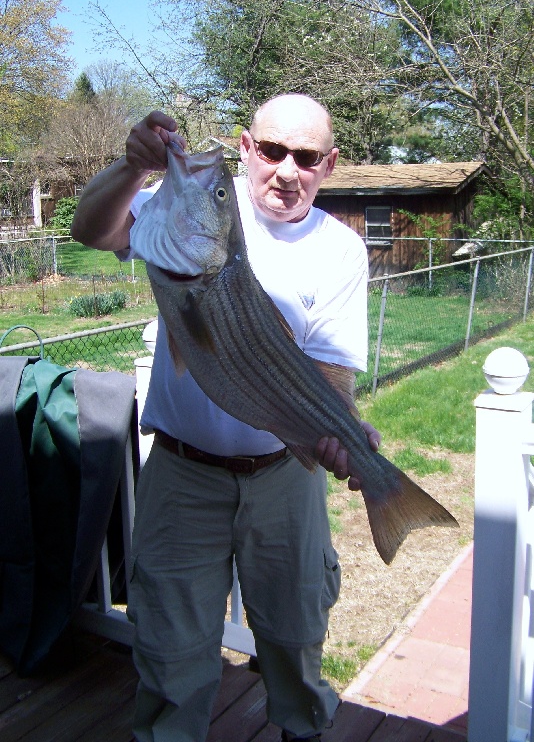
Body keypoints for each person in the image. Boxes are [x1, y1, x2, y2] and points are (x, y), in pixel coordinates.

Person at [72, 94, 381, 742]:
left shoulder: (340, 250)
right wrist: (133, 168)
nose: (286, 170)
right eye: (271, 150)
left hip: (285, 477)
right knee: (170, 657)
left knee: (295, 645)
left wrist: (348, 434)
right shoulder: (194, 209)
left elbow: (330, 376)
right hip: (183, 475)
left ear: (329, 164)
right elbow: (91, 230)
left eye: (305, 157)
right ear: (246, 148)